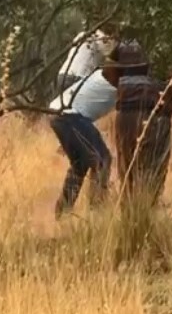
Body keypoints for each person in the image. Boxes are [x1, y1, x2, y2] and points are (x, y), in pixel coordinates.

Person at [108, 41, 172, 209]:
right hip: (152, 122)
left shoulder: (120, 85)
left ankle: (131, 221)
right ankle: (147, 214)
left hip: (123, 122)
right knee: (151, 174)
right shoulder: (165, 86)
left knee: (127, 175)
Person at [48, 54, 124, 218]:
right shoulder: (115, 83)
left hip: (59, 114)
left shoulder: (100, 77)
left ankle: (62, 213)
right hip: (69, 115)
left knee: (80, 164)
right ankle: (96, 211)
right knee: (101, 160)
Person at [57, 27, 116, 92]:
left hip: (63, 74)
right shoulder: (106, 42)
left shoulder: (82, 35)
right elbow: (110, 60)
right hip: (80, 78)